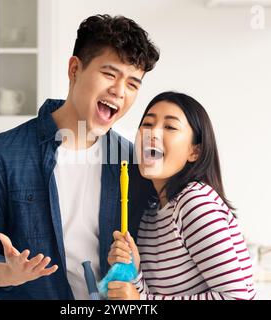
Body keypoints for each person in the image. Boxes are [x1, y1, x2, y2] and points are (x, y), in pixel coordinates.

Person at [0, 14, 159, 300]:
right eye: (110, 74)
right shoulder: (2, 154)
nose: (119, 91)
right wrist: (9, 273)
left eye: (133, 84)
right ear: (75, 69)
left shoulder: (131, 160)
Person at [106, 91, 256, 300]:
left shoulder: (195, 202)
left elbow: (237, 298)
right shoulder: (151, 213)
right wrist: (135, 272)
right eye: (147, 124)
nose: (152, 133)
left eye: (170, 127)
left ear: (194, 151)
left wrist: (141, 300)